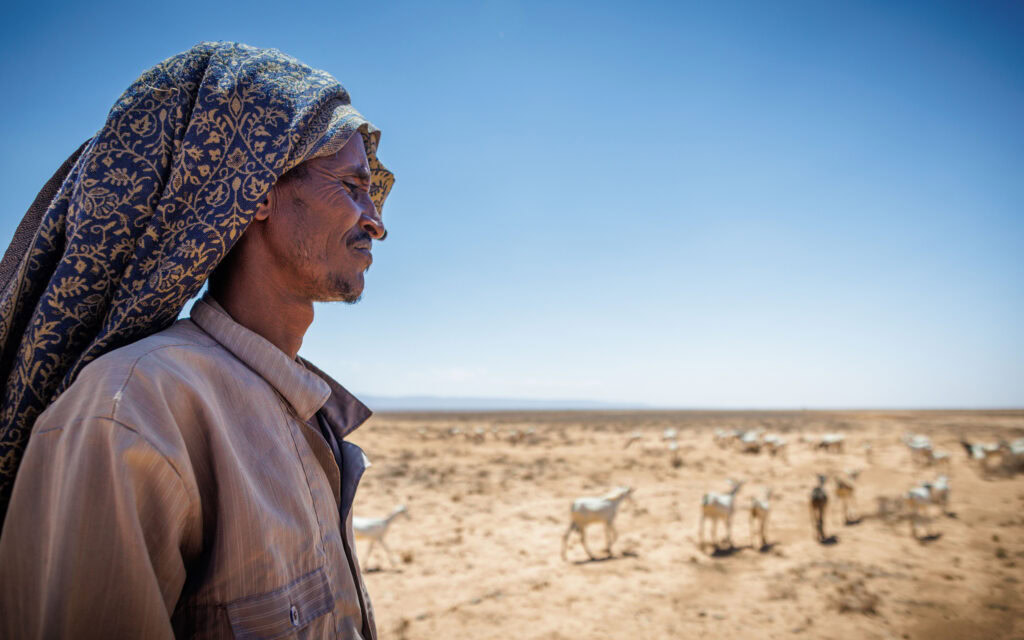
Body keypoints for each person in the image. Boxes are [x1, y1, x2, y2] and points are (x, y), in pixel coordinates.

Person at [0, 42, 394, 639]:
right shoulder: (132, 413)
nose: (376, 221)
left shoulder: (301, 409)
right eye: (351, 186)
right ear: (257, 190)